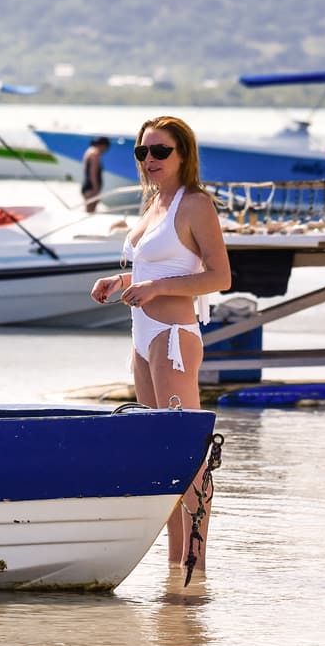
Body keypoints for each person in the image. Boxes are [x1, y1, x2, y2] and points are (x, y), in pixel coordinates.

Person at [89, 116, 230, 574]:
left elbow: (219, 276)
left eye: (160, 151)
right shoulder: (154, 201)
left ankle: (195, 566)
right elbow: (158, 268)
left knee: (187, 455)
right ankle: (175, 569)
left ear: (183, 155)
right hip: (142, 335)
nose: (150, 159)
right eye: (142, 152)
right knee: (161, 456)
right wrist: (121, 280)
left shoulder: (195, 203)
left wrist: (155, 288)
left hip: (172, 338)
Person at [80, 135, 110, 213]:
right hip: (91, 188)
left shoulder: (89, 151)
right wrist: (96, 189)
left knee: (88, 212)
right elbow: (93, 173)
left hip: (88, 187)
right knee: (90, 213)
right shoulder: (95, 154)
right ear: (103, 145)